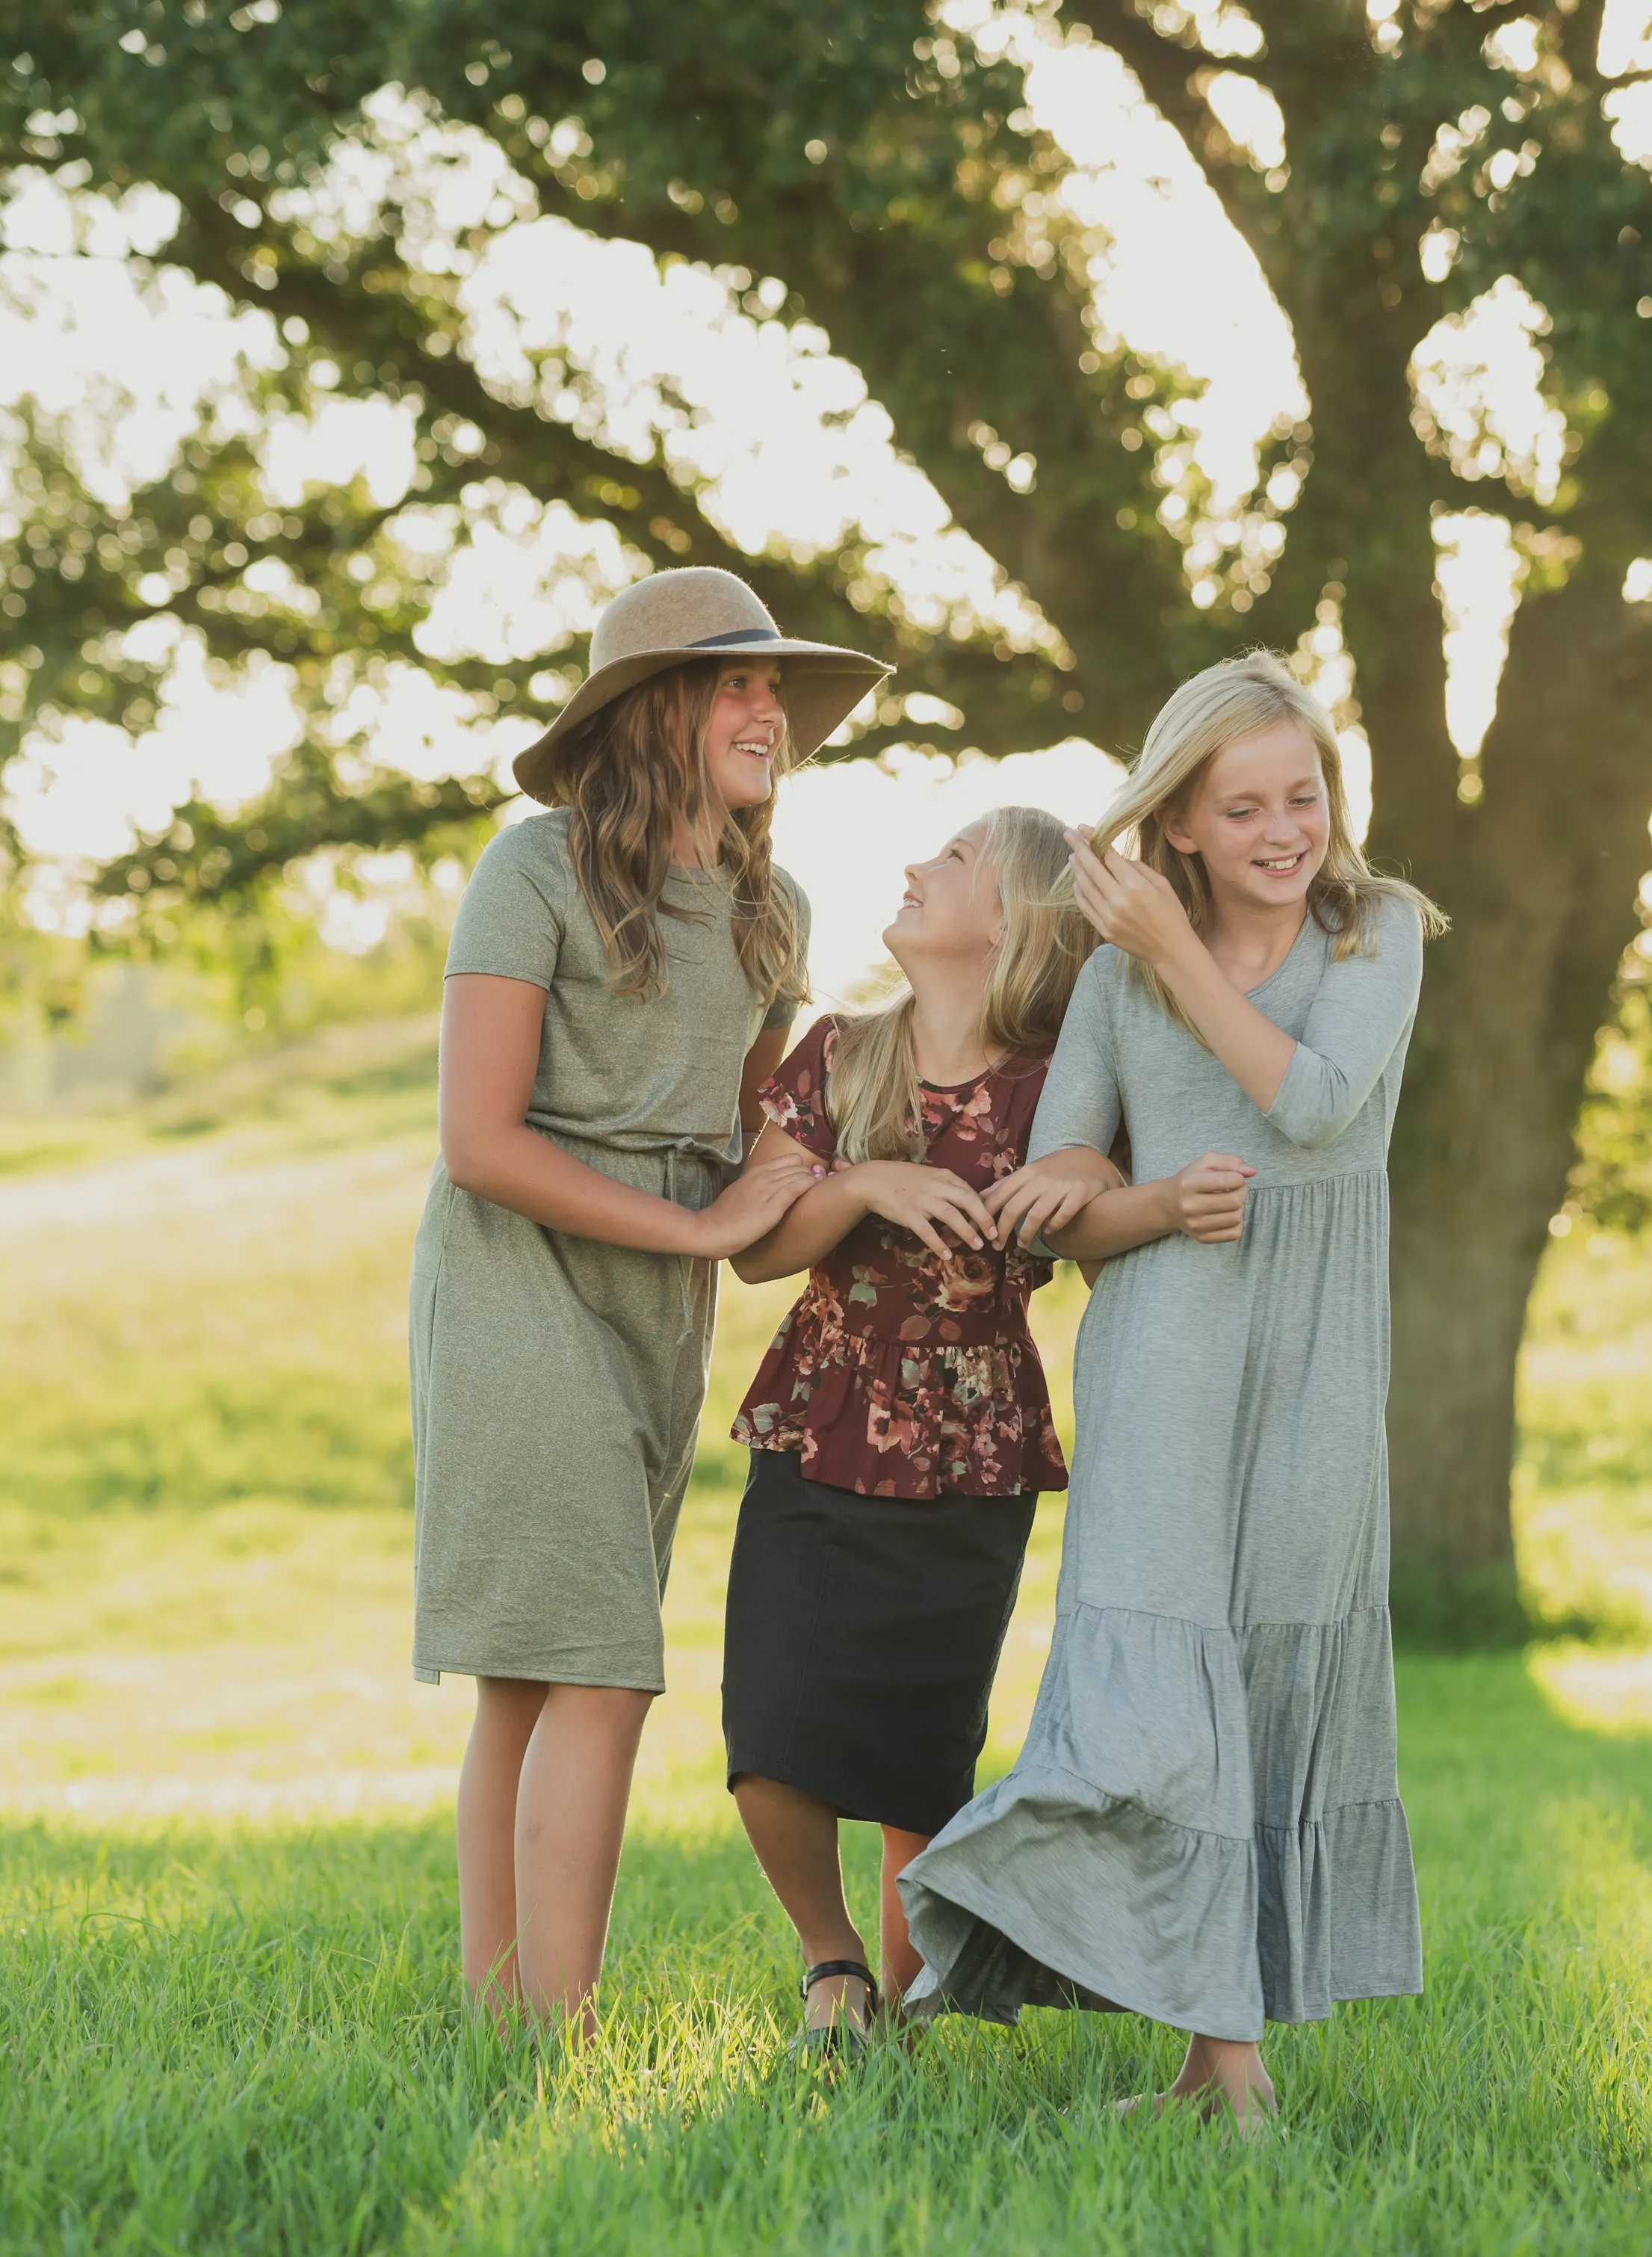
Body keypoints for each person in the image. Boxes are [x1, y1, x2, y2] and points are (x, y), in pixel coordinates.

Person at [897, 650, 1448, 2127]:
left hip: (1313, 1374)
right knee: (1149, 1699)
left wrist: (1173, 950)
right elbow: (1071, 1170)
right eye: (1245, 805)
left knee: (1264, 1686)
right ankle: (991, 1907)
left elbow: (1315, 1101)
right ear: (1181, 824)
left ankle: (1225, 2077)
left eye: (1304, 793)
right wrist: (1086, 1181)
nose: (1286, 828)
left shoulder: (1376, 932)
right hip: (1158, 1365)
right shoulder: (1123, 980)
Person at [409, 566, 888, 2033]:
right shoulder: (534, 868)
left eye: (776, 692)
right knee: (600, 1666)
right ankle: (557, 2030)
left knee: (532, 1673)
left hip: (655, 1316)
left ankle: (497, 2022)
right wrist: (700, 1227)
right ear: (649, 709)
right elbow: (480, 1141)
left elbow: (754, 1172)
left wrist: (884, 1173)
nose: (767, 711)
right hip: (511, 1283)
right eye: (736, 682)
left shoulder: (773, 906)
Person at [720, 806, 1111, 2054]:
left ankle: (901, 2002)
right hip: (819, 1425)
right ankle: (828, 1960)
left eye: (948, 861)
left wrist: (1098, 1181)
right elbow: (753, 1250)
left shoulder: (1066, 1080)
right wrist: (861, 1183)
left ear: (1010, 922)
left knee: (921, 1750)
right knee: (772, 1730)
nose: (910, 867)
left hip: (972, 1449)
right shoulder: (842, 1053)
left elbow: (1106, 1218)